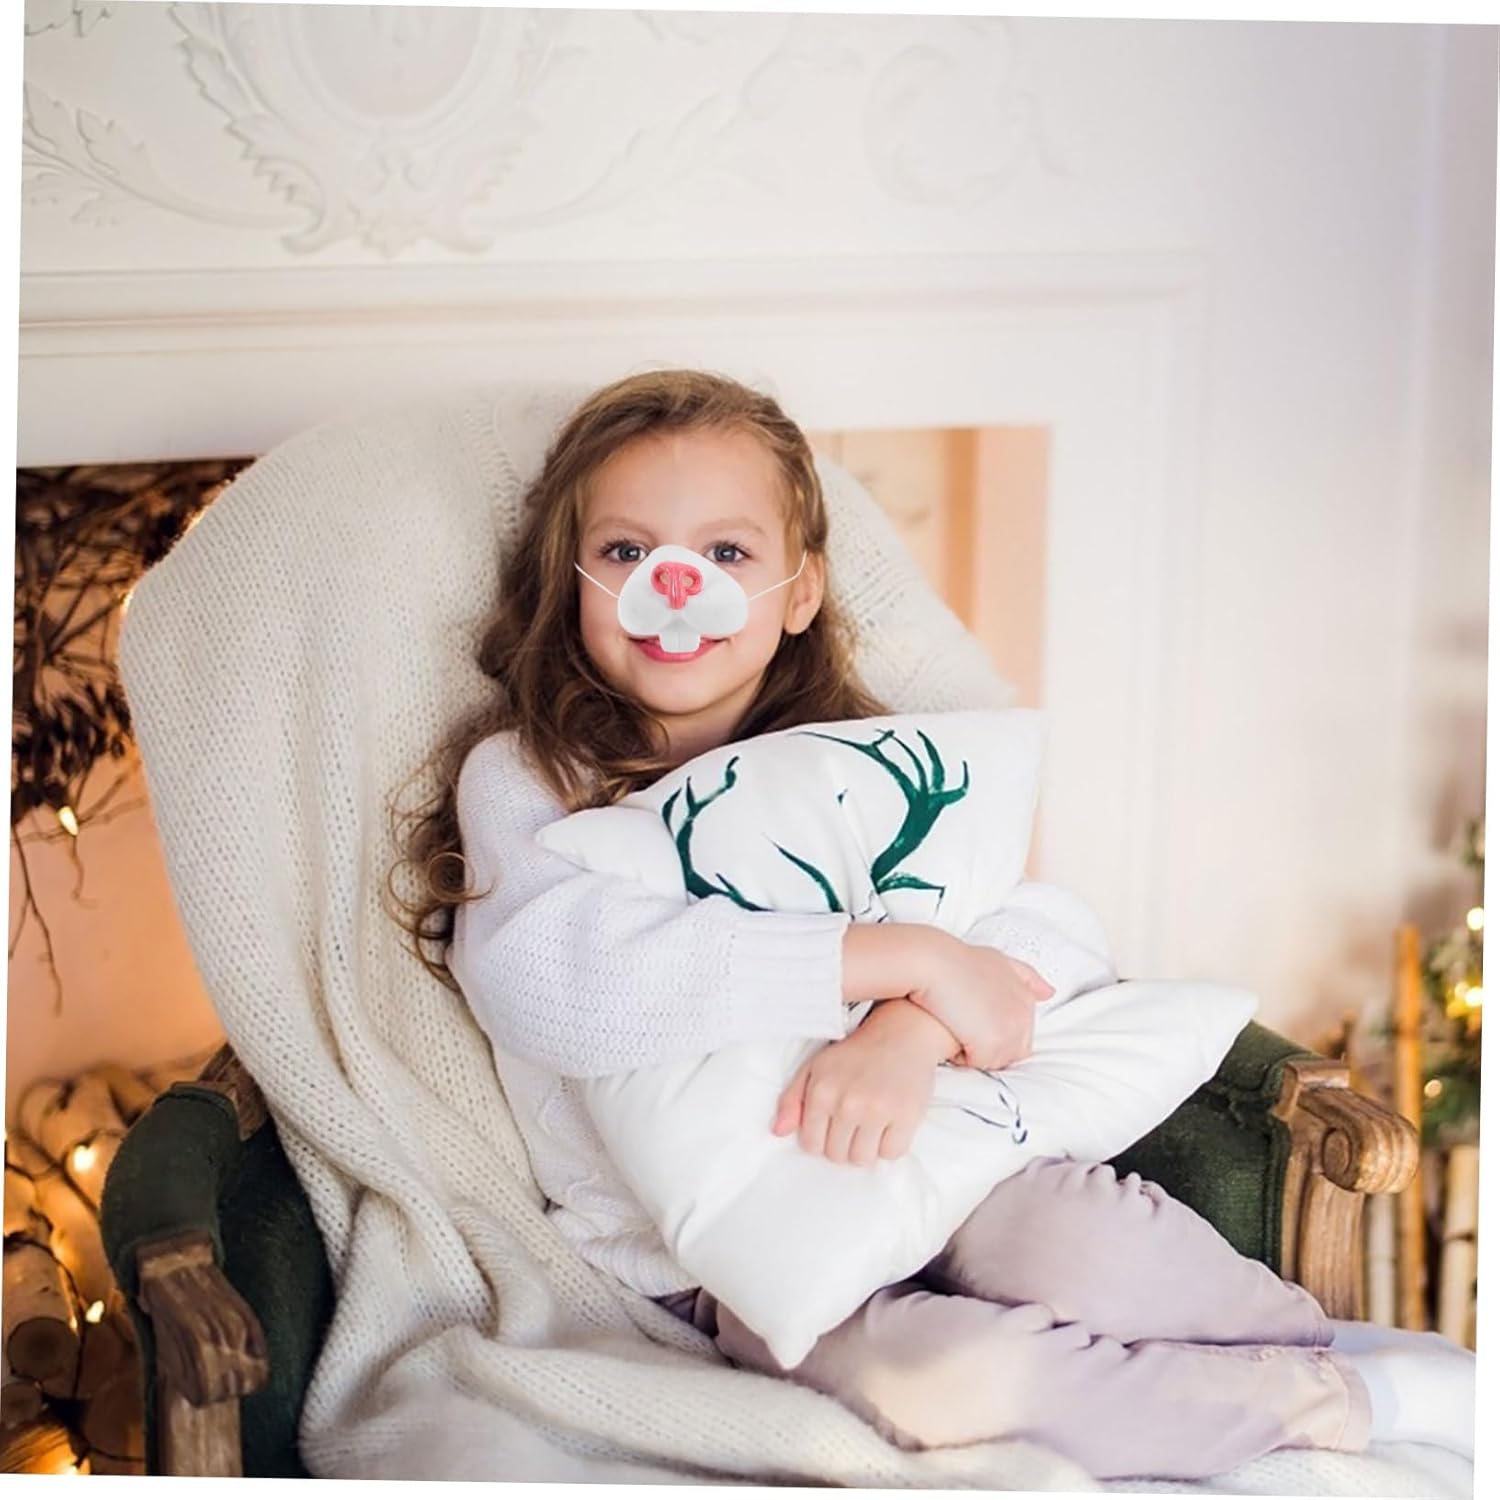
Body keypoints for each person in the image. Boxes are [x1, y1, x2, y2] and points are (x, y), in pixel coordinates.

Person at [389, 368, 1475, 1480]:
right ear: (570, 578)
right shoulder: (534, 778)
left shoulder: (873, 762)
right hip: (726, 1253)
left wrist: (911, 1027)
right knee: (942, 1382)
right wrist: (896, 956)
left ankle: (1325, 1353)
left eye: (727, 553)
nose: (676, 586)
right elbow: (552, 981)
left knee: (1092, 1249)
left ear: (800, 592)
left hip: (942, 1154)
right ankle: (1350, 1403)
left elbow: (1047, 933)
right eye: (626, 551)